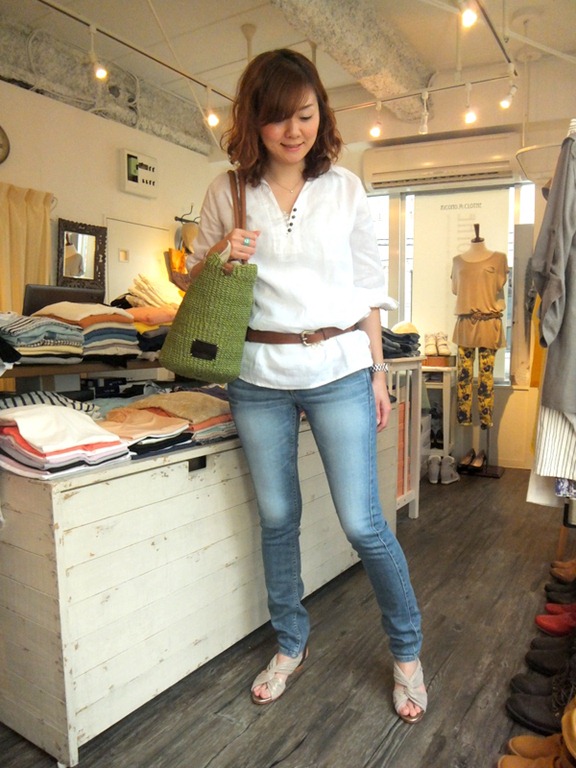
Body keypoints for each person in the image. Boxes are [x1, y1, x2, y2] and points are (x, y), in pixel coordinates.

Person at [190, 48, 426, 723]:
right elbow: (193, 280)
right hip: (258, 376)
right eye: (277, 118)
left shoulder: (346, 188)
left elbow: (368, 291)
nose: (293, 131)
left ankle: (407, 651)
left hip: (339, 367)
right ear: (253, 121)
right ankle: (290, 642)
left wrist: (377, 372)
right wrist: (219, 254)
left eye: (305, 114)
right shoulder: (228, 190)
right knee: (276, 518)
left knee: (363, 522)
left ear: (321, 113)